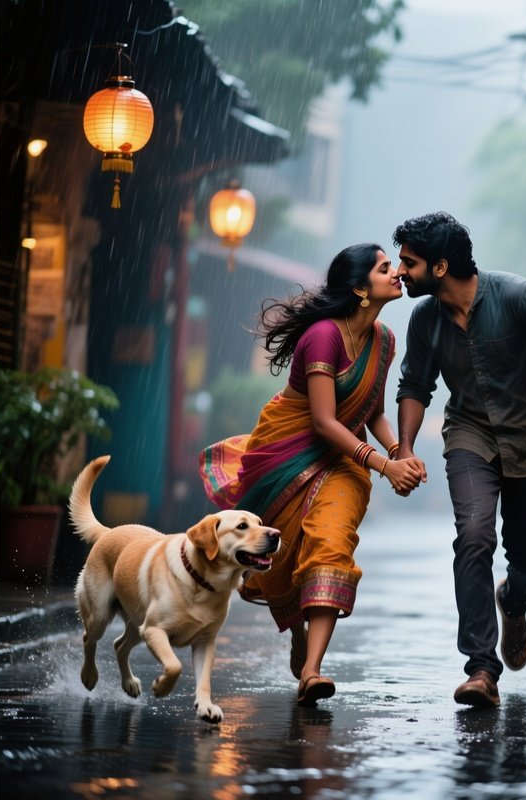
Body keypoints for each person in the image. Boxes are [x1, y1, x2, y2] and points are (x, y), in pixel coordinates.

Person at [199, 243, 425, 705]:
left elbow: (372, 411)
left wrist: (401, 452)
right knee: (283, 554)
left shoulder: (384, 340)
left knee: (331, 540)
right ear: (361, 288)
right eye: (386, 269)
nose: (397, 273)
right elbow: (324, 422)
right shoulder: (322, 335)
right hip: (285, 454)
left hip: (344, 461)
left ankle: (312, 669)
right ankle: (299, 637)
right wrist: (385, 465)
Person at [392, 212, 526, 708]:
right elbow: (416, 387)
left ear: (440, 267)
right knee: (474, 535)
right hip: (469, 437)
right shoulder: (424, 320)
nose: (400, 272)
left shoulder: (518, 296)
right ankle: (481, 668)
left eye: (409, 263)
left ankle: (515, 600)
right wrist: (403, 448)